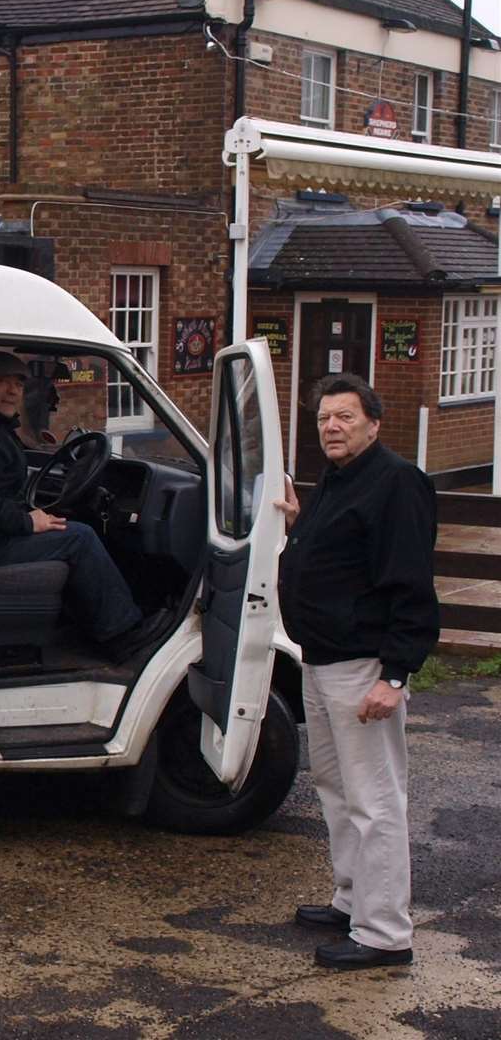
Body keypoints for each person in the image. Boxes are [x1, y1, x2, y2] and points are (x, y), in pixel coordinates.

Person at [276, 373, 437, 971]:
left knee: (375, 801)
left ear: (374, 422)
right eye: (323, 418)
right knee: (337, 790)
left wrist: (393, 677)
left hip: (362, 667)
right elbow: (338, 557)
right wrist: (298, 526)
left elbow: (411, 585)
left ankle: (385, 933)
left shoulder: (397, 484)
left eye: (344, 416)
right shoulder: (339, 482)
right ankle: (351, 900)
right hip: (318, 661)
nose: (331, 427)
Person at [0, 351, 167, 660]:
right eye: (2, 382)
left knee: (70, 526)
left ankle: (89, 625)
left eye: (18, 384)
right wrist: (28, 523)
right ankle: (122, 634)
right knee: (80, 538)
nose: (12, 391)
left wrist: (32, 516)